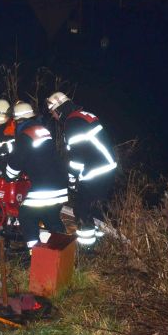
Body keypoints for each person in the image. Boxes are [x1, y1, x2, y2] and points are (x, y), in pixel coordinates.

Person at [46, 92, 117, 247]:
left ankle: (87, 248)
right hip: (106, 167)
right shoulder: (82, 116)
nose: (54, 117)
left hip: (96, 170)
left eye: (53, 113)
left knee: (82, 210)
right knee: (97, 209)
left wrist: (72, 179)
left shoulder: (73, 123)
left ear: (59, 110)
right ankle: (101, 244)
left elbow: (77, 157)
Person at [5, 101, 68, 252]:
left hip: (45, 187)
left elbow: (15, 164)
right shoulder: (42, 130)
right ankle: (63, 249)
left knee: (27, 215)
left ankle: (34, 253)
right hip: (60, 183)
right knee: (50, 217)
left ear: (17, 120)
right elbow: (40, 157)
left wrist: (8, 175)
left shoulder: (25, 136)